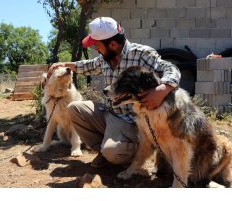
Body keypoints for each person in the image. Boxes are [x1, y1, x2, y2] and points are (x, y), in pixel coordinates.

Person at [47, 17, 181, 168]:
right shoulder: (105, 57)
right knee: (74, 108)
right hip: (110, 113)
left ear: (112, 44)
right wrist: (65, 65)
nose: (95, 49)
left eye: (97, 45)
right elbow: (88, 66)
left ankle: (134, 152)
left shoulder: (141, 54)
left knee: (114, 153)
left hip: (132, 121)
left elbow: (170, 68)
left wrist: (163, 89)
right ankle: (104, 152)